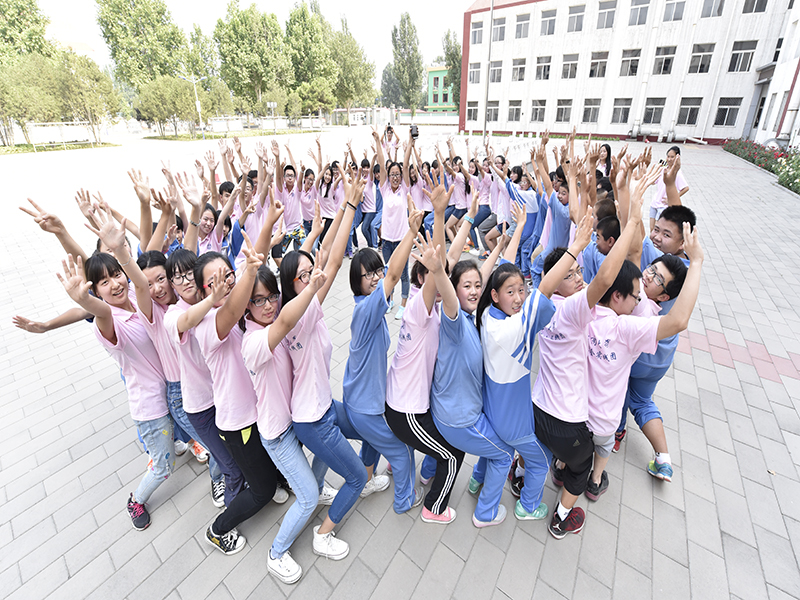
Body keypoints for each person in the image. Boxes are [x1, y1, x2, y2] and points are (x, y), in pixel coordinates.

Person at [532, 165, 651, 540]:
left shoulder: (538, 305)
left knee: (545, 452)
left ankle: (523, 479)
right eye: (570, 275)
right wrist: (632, 221)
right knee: (581, 468)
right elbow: (603, 281)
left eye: (576, 271)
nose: (579, 277)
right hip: (567, 418)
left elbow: (588, 278)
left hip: (537, 405)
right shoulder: (572, 310)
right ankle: (561, 518)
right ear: (557, 282)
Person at [582, 223, 701, 501]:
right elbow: (635, 250)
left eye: (657, 278)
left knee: (622, 399)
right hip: (647, 370)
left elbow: (678, 320)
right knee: (640, 402)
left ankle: (596, 454)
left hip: (600, 396)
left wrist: (696, 263)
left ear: (664, 296)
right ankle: (654, 459)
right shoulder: (642, 299)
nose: (648, 275)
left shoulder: (640, 309)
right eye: (651, 268)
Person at [242, 263, 342, 583]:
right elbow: (286, 320)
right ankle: (276, 552)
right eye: (259, 300)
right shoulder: (253, 341)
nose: (269, 305)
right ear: (246, 305)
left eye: (272, 296)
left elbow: (291, 313)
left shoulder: (275, 321)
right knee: (307, 497)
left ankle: (318, 487)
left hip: (298, 417)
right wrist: (311, 286)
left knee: (330, 438)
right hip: (278, 434)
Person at [57, 250, 171, 531]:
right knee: (163, 468)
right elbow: (103, 310)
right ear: (96, 291)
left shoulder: (133, 294)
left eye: (116, 275)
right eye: (104, 282)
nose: (115, 284)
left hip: (172, 392)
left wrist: (119, 247)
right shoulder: (107, 321)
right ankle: (136, 500)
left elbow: (141, 276)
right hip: (151, 408)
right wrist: (84, 300)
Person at [192, 233, 289, 556]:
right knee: (261, 491)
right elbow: (233, 308)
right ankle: (218, 530)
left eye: (228, 276)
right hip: (238, 424)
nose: (224, 284)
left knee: (266, 467)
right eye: (214, 282)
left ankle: (273, 481)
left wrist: (267, 227)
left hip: (257, 414)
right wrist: (247, 271)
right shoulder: (209, 324)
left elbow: (251, 278)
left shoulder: (243, 311)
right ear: (202, 292)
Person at [343, 200, 426, 514]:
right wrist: (411, 232)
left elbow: (388, 274)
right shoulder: (366, 309)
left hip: (362, 399)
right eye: (368, 275)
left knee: (371, 442)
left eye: (376, 270)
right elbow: (394, 275)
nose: (376, 278)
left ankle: (365, 481)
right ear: (357, 281)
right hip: (365, 407)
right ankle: (404, 500)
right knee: (402, 451)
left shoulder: (369, 308)